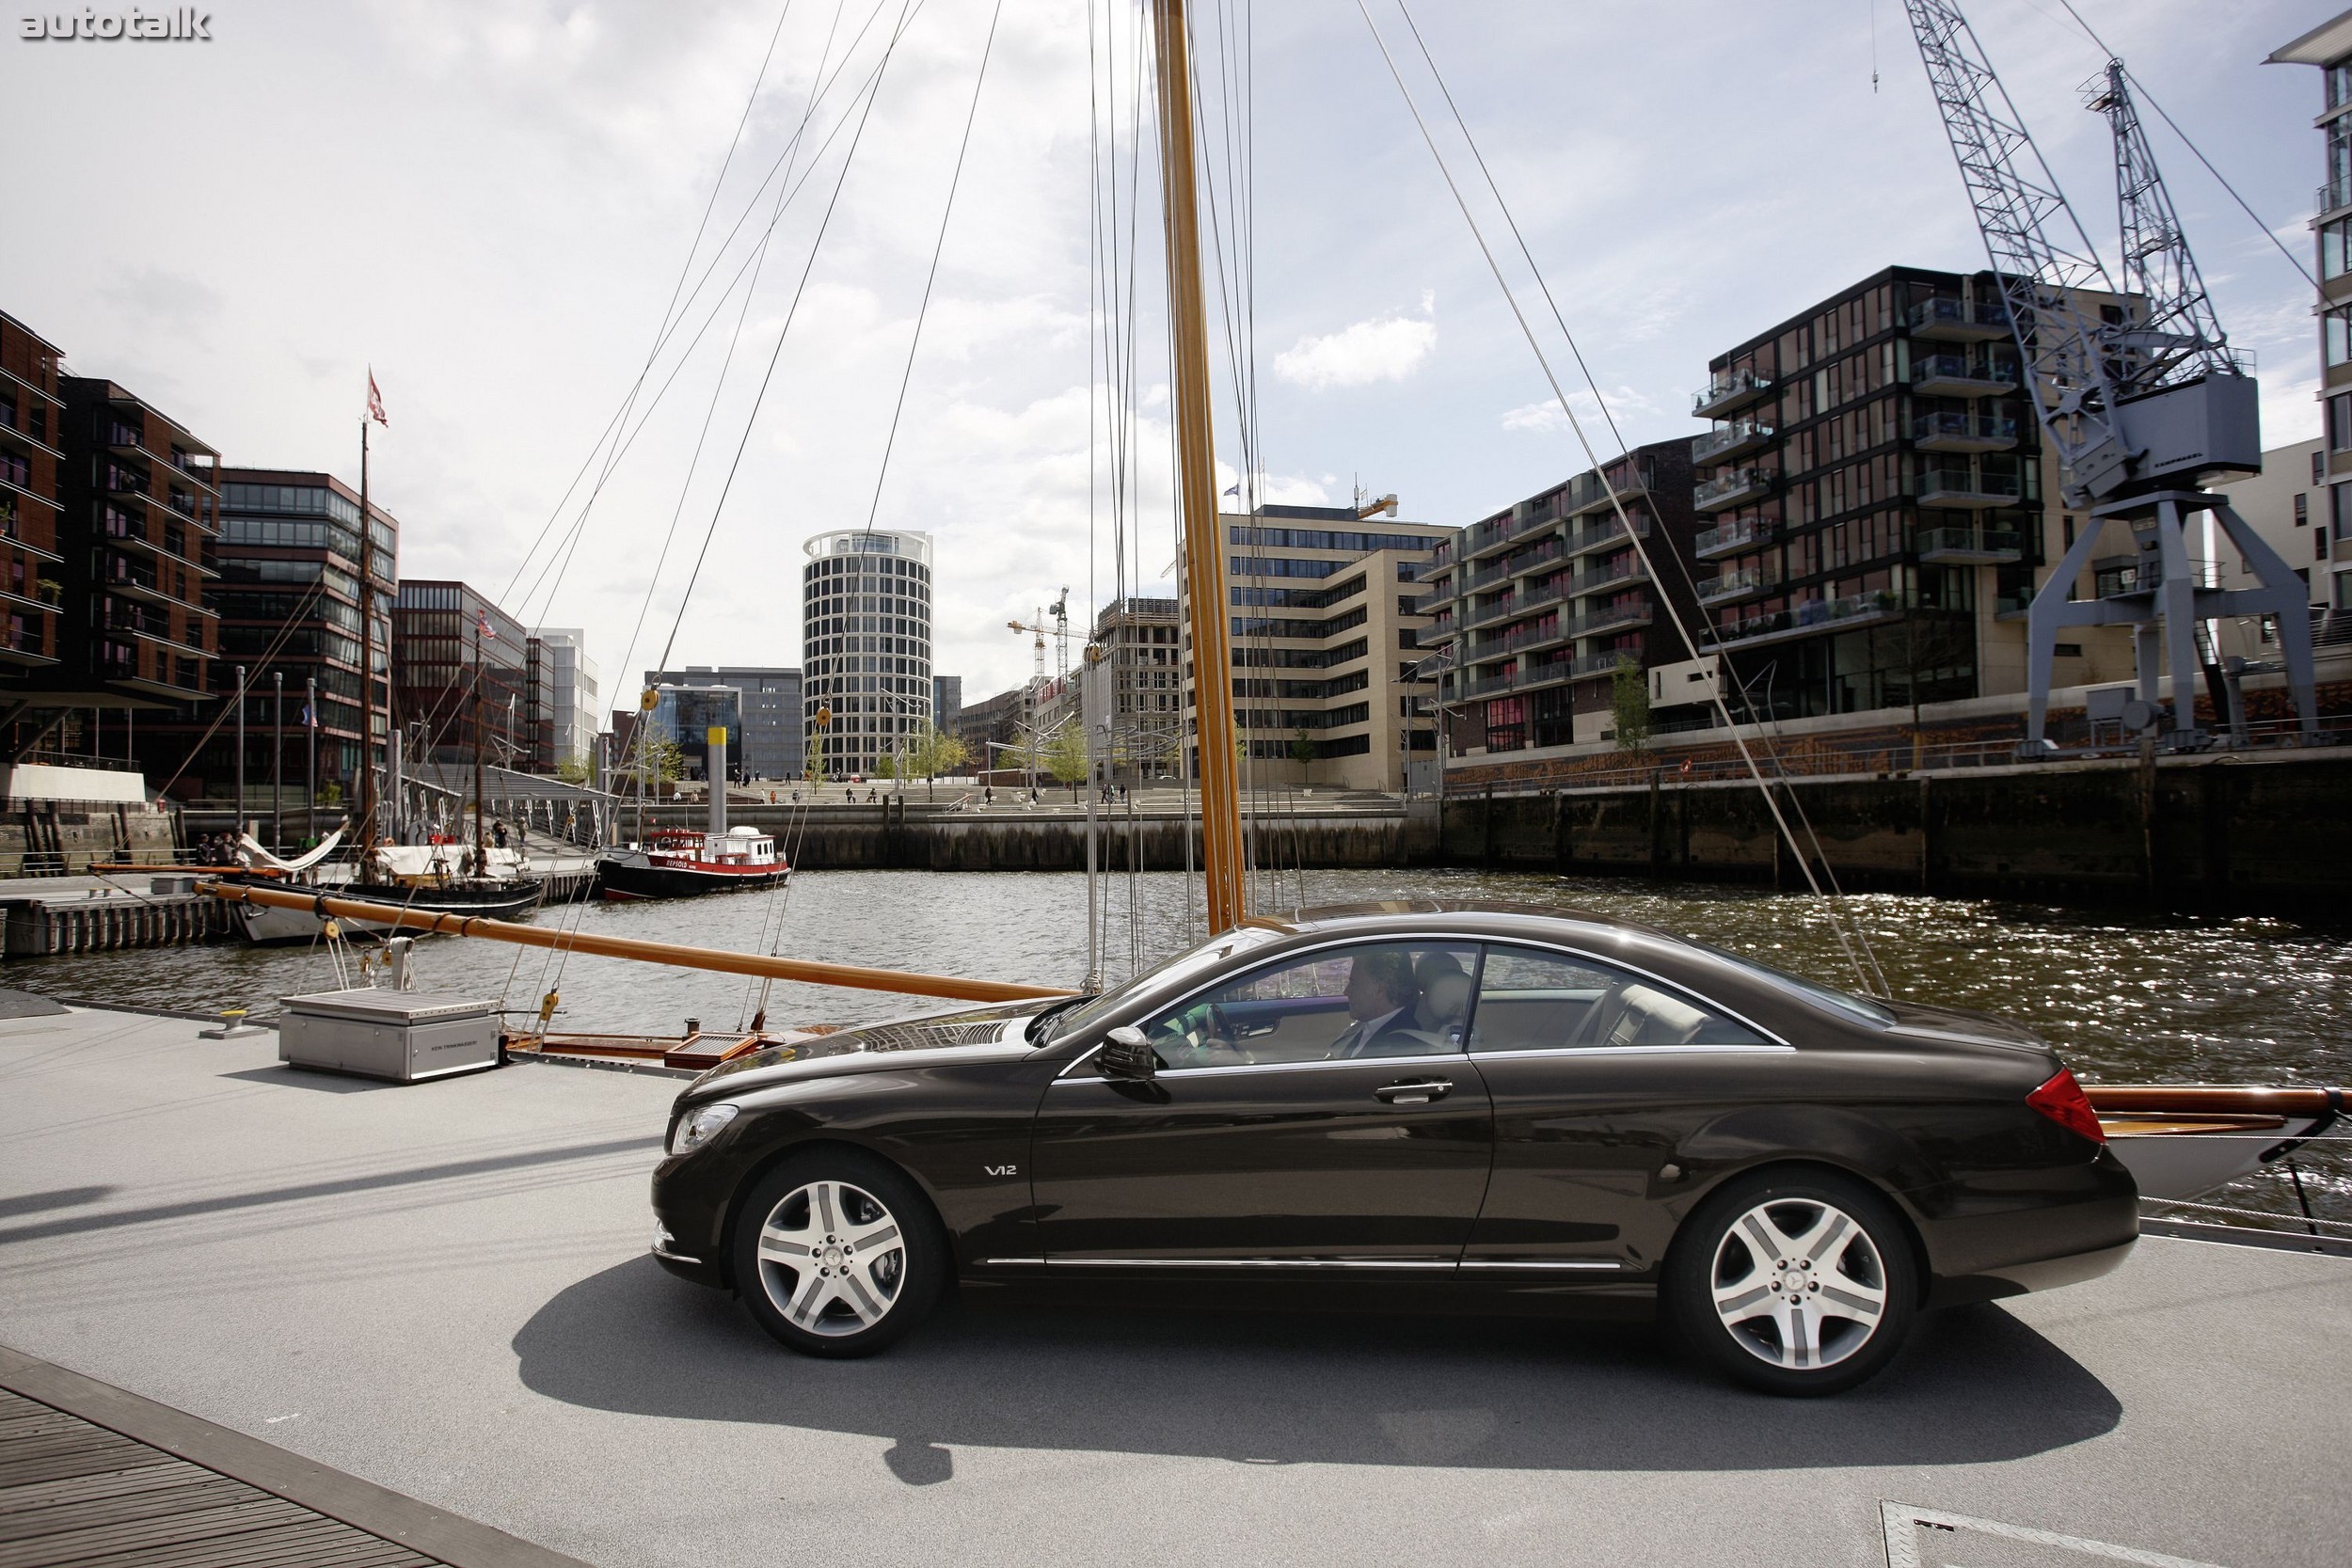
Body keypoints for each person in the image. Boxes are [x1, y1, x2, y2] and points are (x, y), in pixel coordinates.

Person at [1328, 951, 1423, 1058]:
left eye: (1354, 984)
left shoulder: (1399, 1047)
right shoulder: (1367, 1026)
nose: (1346, 991)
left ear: (1380, 990)